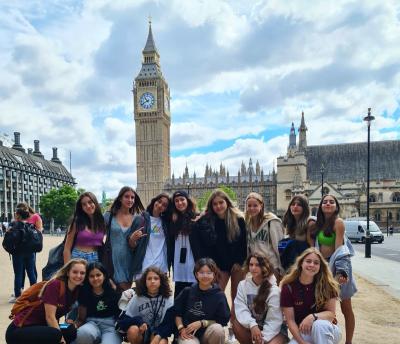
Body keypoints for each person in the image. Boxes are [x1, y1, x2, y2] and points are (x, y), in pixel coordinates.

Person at [309, 195, 357, 344]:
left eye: (331, 202)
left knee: (346, 307)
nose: (328, 204)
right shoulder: (317, 224)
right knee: (324, 306)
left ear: (336, 206)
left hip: (337, 268)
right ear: (321, 206)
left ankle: (348, 342)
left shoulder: (338, 223)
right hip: (321, 268)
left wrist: (339, 273)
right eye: (325, 202)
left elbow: (339, 251)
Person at [5, 258, 87, 344]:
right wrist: (61, 339)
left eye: (82, 273)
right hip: (21, 329)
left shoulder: (77, 290)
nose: (78, 276)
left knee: (70, 328)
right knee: (55, 334)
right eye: (75, 272)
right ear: (67, 272)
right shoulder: (55, 285)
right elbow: (50, 317)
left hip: (43, 326)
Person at [280, 248, 341, 344]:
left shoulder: (327, 285)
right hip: (305, 332)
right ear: (301, 263)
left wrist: (312, 317)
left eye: (316, 263)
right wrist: (302, 342)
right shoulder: (288, 287)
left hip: (328, 329)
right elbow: (290, 321)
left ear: (320, 267)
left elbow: (331, 314)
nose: (312, 265)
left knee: (318, 325)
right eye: (308, 261)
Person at [197, 189, 247, 306]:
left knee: (237, 297)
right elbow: (209, 246)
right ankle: (217, 321)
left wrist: (239, 262)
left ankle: (235, 322)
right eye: (215, 204)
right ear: (211, 206)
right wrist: (214, 266)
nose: (218, 206)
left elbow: (243, 243)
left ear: (227, 203)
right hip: (219, 265)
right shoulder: (208, 221)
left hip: (237, 264)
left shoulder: (239, 219)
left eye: (221, 202)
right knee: (216, 294)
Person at [233, 253, 287, 344]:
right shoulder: (243, 285)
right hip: (253, 325)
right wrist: (252, 325)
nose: (253, 268)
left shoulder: (274, 290)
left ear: (265, 267)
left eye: (257, 265)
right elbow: (241, 309)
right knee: (236, 324)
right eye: (251, 264)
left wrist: (262, 339)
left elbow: (274, 320)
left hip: (274, 329)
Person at [174, 258, 230, 344]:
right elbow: (177, 313)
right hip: (189, 335)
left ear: (214, 275)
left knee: (218, 330)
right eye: (201, 272)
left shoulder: (219, 295)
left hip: (207, 335)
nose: (205, 276)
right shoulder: (188, 291)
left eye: (209, 273)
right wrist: (181, 329)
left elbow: (222, 320)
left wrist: (202, 323)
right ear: (196, 274)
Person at [104, 186, 145, 291]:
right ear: (120, 198)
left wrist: (133, 240)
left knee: (125, 293)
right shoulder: (109, 216)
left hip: (130, 260)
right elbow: (97, 234)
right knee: (115, 292)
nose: (130, 200)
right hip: (112, 259)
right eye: (127, 197)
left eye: (132, 197)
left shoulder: (137, 219)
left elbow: (134, 246)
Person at [120, 266, 173, 344]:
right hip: (142, 332)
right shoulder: (137, 298)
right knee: (132, 330)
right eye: (149, 278)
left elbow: (170, 324)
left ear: (161, 281)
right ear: (144, 281)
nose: (152, 281)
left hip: (159, 332)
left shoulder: (167, 298)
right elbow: (122, 322)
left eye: (156, 278)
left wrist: (158, 335)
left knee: (162, 343)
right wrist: (139, 322)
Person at [167, 190, 204, 297]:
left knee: (195, 294)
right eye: (176, 201)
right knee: (179, 294)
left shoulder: (197, 217)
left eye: (182, 200)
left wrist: (202, 220)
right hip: (179, 264)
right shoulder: (172, 219)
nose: (179, 203)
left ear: (188, 201)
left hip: (193, 261)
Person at [74, 262, 122, 344]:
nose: (95, 278)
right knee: (82, 334)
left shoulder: (114, 290)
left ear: (104, 276)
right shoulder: (84, 292)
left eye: (98, 275)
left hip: (110, 327)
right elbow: (81, 318)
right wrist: (73, 326)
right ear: (87, 278)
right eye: (91, 276)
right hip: (91, 324)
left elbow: (121, 313)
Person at [128, 193, 170, 280]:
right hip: (144, 267)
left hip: (161, 267)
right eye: (159, 201)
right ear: (155, 201)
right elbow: (131, 245)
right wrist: (132, 239)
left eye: (164, 205)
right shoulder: (140, 219)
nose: (160, 205)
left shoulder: (166, 222)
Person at [245, 192, 285, 278]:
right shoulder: (248, 224)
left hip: (271, 267)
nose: (252, 208)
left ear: (261, 205)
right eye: (249, 206)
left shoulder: (272, 222)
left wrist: (281, 269)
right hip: (255, 268)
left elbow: (279, 247)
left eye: (255, 205)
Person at [8, 207, 39, 303]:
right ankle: (34, 294)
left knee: (18, 274)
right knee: (31, 273)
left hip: (18, 253)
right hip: (30, 253)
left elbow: (9, 240)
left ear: (18, 215)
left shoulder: (14, 225)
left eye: (15, 213)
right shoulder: (30, 225)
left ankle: (18, 295)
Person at [64, 192, 106, 264]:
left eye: (90, 202)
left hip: (96, 258)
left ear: (95, 202)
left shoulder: (102, 222)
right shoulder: (77, 222)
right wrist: (67, 270)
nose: (88, 206)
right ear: (82, 208)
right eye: (84, 204)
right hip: (78, 257)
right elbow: (67, 249)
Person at [281, 195, 312, 271]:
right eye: (293, 204)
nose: (295, 206)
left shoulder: (309, 223)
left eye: (299, 205)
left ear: (305, 208)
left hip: (304, 265)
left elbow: (313, 248)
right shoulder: (291, 223)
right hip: (291, 265)